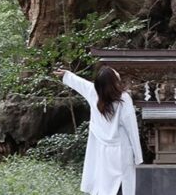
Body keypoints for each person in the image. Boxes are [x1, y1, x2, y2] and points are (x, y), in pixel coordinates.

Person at [53, 66, 143, 195]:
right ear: (113, 80)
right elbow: (131, 128)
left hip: (101, 150)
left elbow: (80, 83)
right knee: (122, 185)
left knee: (103, 184)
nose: (117, 72)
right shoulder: (123, 99)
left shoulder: (93, 92)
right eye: (115, 72)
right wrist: (138, 156)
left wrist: (67, 75)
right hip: (121, 151)